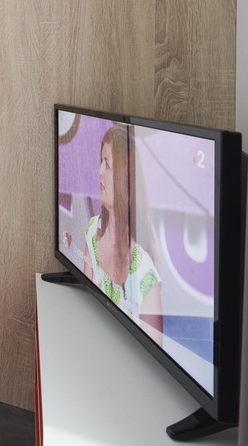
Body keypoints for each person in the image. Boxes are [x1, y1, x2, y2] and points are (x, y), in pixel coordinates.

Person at [81, 124, 164, 342]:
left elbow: (154, 363)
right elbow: (84, 304)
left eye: (107, 165)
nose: (99, 171)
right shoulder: (92, 231)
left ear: (125, 181)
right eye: (101, 161)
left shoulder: (146, 276)